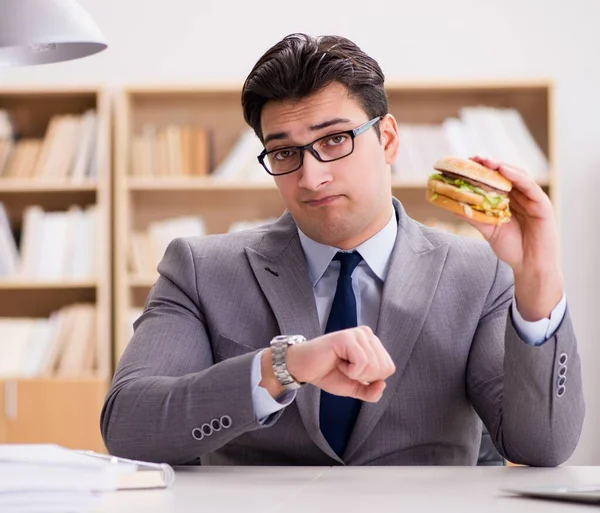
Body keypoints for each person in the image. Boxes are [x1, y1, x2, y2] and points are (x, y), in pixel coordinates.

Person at [100, 33, 584, 466]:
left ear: (388, 139)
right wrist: (282, 368)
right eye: (285, 152)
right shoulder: (201, 269)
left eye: (334, 140)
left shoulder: (481, 273)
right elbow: (128, 428)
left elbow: (542, 447)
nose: (311, 177)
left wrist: (538, 278)